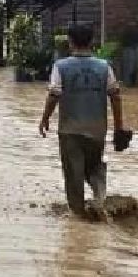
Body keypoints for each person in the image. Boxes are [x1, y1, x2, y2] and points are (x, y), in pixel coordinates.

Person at [39, 23, 125, 220]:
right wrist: (118, 127)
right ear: (92, 42)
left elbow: (54, 95)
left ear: (70, 42)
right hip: (97, 129)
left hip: (70, 130)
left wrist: (45, 119)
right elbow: (116, 96)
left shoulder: (60, 66)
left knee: (73, 174)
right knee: (94, 166)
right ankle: (100, 197)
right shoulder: (104, 67)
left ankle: (78, 218)